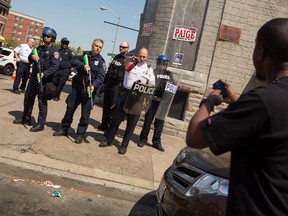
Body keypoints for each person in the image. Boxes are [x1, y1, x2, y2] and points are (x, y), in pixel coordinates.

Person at [186, 18, 288, 216]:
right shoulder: (263, 103)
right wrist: (237, 101)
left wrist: (208, 102)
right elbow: (271, 122)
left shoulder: (260, 101)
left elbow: (195, 137)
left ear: (260, 53)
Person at [99, 48, 155, 155]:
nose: (142, 58)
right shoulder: (131, 65)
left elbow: (152, 84)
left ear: (147, 57)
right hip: (125, 94)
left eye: (144, 56)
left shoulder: (149, 70)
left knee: (131, 124)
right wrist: (129, 59)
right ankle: (109, 140)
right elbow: (125, 66)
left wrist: (143, 85)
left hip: (138, 97)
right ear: (137, 55)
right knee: (116, 120)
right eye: (140, 56)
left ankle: (124, 146)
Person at [53, 38, 106, 144]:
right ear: (92, 45)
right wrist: (83, 65)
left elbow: (101, 77)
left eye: (100, 47)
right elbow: (73, 61)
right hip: (77, 88)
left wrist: (93, 85)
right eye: (96, 46)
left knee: (85, 114)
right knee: (70, 109)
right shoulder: (84, 54)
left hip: (89, 91)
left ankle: (80, 134)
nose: (98, 48)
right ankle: (64, 128)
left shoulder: (101, 62)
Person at [13, 27, 60, 132]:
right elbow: (29, 57)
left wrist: (44, 73)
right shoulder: (39, 48)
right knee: (28, 99)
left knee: (42, 102)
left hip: (44, 80)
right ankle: (26, 118)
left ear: (52, 38)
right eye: (45, 36)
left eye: (48, 36)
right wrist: (33, 57)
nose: (46, 37)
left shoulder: (55, 52)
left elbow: (54, 67)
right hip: (34, 77)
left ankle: (41, 123)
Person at [138, 55, 174, 152]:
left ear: (166, 64)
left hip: (163, 102)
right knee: (148, 121)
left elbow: (173, 86)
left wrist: (168, 86)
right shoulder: (153, 72)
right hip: (152, 100)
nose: (162, 65)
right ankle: (143, 138)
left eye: (164, 63)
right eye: (160, 63)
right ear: (157, 63)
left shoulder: (169, 74)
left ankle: (156, 141)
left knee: (159, 122)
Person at [97, 42, 129, 132]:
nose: (121, 48)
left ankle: (109, 128)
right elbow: (110, 69)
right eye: (120, 46)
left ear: (127, 48)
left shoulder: (128, 59)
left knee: (113, 108)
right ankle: (104, 124)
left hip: (117, 85)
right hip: (109, 83)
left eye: (123, 47)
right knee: (106, 105)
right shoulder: (116, 57)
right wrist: (104, 83)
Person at [52, 37, 74, 101]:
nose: (64, 45)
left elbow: (74, 61)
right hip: (57, 69)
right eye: (63, 43)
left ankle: (56, 96)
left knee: (60, 84)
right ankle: (52, 93)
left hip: (65, 71)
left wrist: (72, 68)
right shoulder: (58, 51)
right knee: (54, 82)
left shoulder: (70, 52)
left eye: (66, 43)